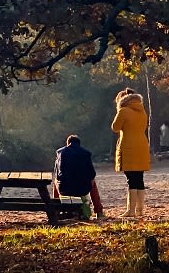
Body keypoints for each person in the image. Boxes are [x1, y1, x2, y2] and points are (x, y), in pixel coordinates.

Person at [111, 87, 152, 217]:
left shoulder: (123, 111)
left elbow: (115, 127)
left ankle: (131, 210)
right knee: (139, 178)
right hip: (142, 145)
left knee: (131, 179)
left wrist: (119, 112)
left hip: (129, 146)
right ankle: (140, 210)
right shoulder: (142, 111)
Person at [53, 134, 104, 221]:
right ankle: (98, 211)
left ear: (67, 143)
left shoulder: (60, 153)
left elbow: (56, 173)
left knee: (56, 181)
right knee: (93, 182)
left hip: (64, 188)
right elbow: (92, 174)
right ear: (79, 144)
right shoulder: (86, 153)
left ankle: (56, 210)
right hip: (83, 188)